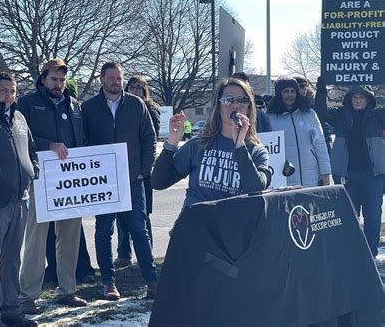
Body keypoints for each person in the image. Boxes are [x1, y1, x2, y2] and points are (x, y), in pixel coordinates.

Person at [81, 62, 158, 300]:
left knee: (139, 229)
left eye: (119, 78)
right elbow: (83, 142)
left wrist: (143, 170)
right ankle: (108, 282)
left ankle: (152, 280)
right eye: (111, 77)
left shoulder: (136, 105)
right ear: (102, 79)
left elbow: (149, 139)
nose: (116, 81)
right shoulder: (89, 108)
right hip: (103, 182)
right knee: (104, 231)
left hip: (133, 180)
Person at [18, 59, 87, 314]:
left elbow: (82, 138)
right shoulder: (27, 103)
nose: (58, 85)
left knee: (69, 236)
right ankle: (28, 295)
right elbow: (21, 136)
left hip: (71, 181)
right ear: (43, 79)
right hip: (41, 178)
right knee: (36, 237)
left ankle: (67, 290)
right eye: (54, 80)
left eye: (61, 80)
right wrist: (49, 144)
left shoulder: (75, 105)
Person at [151, 77, 271, 211]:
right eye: (227, 100)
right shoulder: (199, 144)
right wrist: (171, 143)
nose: (236, 105)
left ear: (250, 108)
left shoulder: (257, 151)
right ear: (218, 107)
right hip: (196, 226)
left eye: (243, 100)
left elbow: (255, 189)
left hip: (232, 228)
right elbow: (158, 182)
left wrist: (240, 146)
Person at [0, 73, 39, 327]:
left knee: (13, 259)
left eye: (13, 91)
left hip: (20, 199)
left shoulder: (20, 117)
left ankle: (11, 310)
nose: (9, 95)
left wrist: (33, 170)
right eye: (4, 90)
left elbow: (31, 150)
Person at [315, 77, 385, 258]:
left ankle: (370, 254)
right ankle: (352, 256)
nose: (358, 100)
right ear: (350, 99)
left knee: (373, 218)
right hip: (348, 176)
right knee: (349, 217)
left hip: (374, 177)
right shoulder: (340, 116)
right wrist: (321, 90)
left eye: (362, 97)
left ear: (369, 99)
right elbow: (320, 112)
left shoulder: (378, 117)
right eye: (355, 97)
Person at [115, 75, 161, 268]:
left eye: (138, 87)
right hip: (121, 170)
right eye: (131, 86)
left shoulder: (150, 110)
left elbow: (151, 140)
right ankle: (124, 254)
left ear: (144, 90)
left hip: (141, 172)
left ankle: (146, 254)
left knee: (142, 216)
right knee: (121, 215)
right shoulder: (121, 107)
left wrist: (144, 169)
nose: (134, 89)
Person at [267, 77, 331, 188]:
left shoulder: (310, 114)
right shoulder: (270, 118)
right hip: (285, 177)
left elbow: (320, 144)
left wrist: (325, 171)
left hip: (312, 176)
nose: (290, 95)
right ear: (279, 94)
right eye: (286, 91)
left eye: (293, 91)